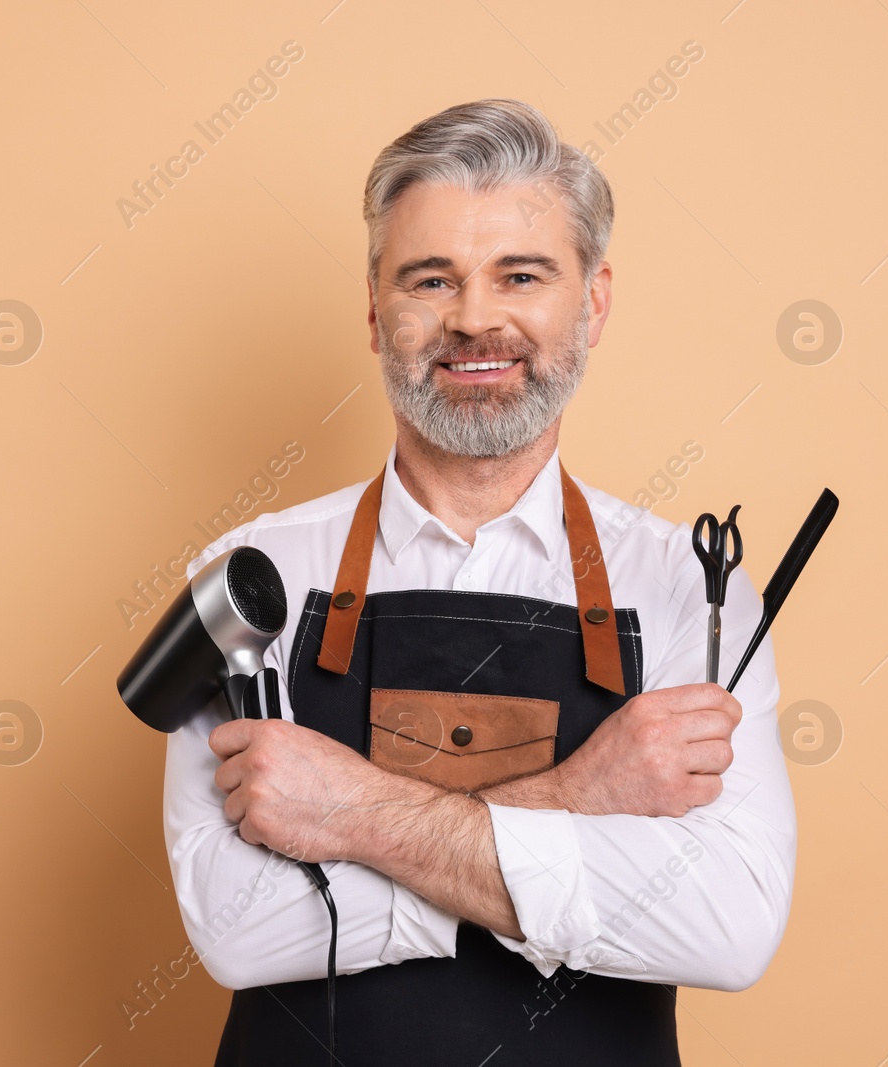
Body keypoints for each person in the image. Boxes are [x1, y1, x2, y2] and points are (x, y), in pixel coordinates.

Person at [163, 99, 795, 1066]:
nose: (474, 318)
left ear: (594, 301)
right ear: (377, 314)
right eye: (430, 279)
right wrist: (584, 797)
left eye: (522, 274)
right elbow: (238, 930)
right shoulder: (255, 578)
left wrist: (353, 814)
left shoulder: (689, 590)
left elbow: (726, 923)